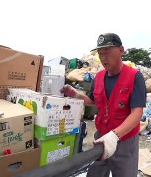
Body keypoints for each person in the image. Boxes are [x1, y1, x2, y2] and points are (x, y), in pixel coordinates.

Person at [61, 33, 146, 177]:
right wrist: (77, 95)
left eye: (107, 52)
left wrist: (114, 136)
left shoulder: (134, 76)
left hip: (124, 141)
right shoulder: (99, 77)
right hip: (101, 137)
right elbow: (93, 101)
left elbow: (137, 113)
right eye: (100, 54)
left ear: (121, 50)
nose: (103, 58)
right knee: (95, 173)